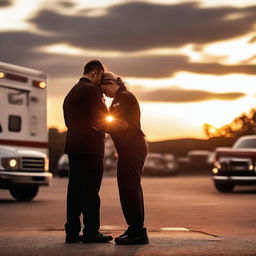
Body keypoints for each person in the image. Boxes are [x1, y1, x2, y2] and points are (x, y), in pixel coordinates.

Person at [63, 60, 113, 243]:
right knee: (91, 189)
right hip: (91, 147)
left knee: (74, 189)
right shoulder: (91, 90)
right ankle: (91, 231)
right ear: (95, 72)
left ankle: (72, 231)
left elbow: (69, 122)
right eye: (100, 77)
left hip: (74, 146)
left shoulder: (71, 92)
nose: (100, 83)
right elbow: (102, 118)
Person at [99, 72, 149, 245]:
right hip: (129, 148)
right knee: (129, 188)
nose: (103, 93)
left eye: (103, 88)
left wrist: (97, 123)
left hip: (132, 148)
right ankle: (135, 229)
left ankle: (138, 232)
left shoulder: (124, 97)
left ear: (111, 82)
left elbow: (119, 124)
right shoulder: (120, 98)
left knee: (129, 188)